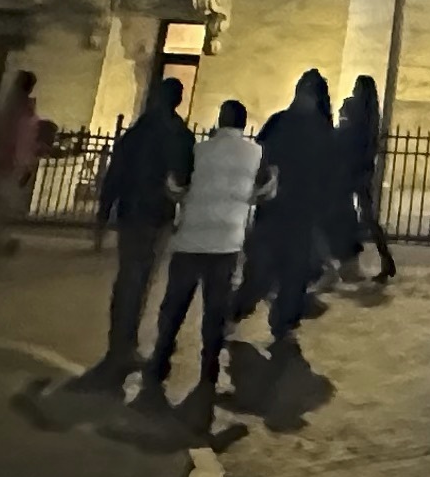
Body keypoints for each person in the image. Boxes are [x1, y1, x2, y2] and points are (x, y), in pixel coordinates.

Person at [145, 97, 264, 405]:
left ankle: (160, 361)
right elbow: (261, 192)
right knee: (215, 309)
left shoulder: (200, 150)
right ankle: (209, 368)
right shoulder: (255, 153)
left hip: (191, 239)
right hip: (226, 243)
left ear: (221, 121)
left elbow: (177, 187)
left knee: (174, 306)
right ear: (243, 124)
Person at [95, 76, 196, 379]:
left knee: (128, 279)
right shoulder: (179, 134)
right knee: (142, 281)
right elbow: (185, 176)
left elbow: (116, 172)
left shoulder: (137, 132)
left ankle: (120, 344)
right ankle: (127, 343)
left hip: (132, 212)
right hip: (158, 214)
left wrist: (104, 212)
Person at [250, 70, 337, 347]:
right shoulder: (321, 129)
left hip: (282, 205)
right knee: (289, 268)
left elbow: (260, 154)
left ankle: (267, 315)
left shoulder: (280, 122)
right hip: (299, 207)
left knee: (271, 267)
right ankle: (281, 320)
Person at [0, 68, 52, 259]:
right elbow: (23, 138)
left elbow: (11, 135)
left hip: (6, 159)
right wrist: (26, 162)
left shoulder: (13, 107)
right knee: (0, 203)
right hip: (13, 161)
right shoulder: (25, 110)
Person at [339, 73, 402, 282]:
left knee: (341, 210)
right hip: (365, 169)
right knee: (368, 217)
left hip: (348, 167)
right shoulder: (373, 116)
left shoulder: (351, 107)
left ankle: (348, 255)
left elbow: (342, 132)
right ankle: (386, 258)